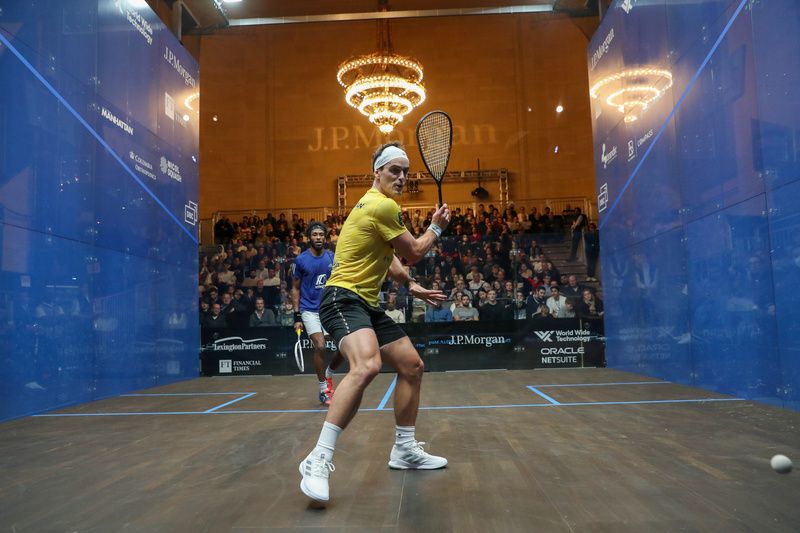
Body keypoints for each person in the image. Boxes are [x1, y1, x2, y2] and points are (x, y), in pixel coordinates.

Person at [299, 142, 451, 504]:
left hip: (366, 304)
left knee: (412, 365)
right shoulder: (382, 205)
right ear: (377, 174)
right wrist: (437, 228)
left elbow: (391, 260)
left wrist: (411, 287)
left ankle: (404, 450)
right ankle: (318, 458)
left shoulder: (373, 207)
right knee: (367, 365)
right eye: (394, 170)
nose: (401, 177)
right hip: (341, 299)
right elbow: (412, 251)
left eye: (405, 172)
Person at [292, 222, 345, 406]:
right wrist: (297, 316)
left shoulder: (332, 257)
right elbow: (295, 288)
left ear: (325, 237)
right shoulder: (300, 260)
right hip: (309, 310)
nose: (318, 237)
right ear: (309, 238)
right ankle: (324, 389)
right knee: (321, 347)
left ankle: (329, 372)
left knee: (345, 347)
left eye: (321, 234)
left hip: (330, 309)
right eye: (314, 234)